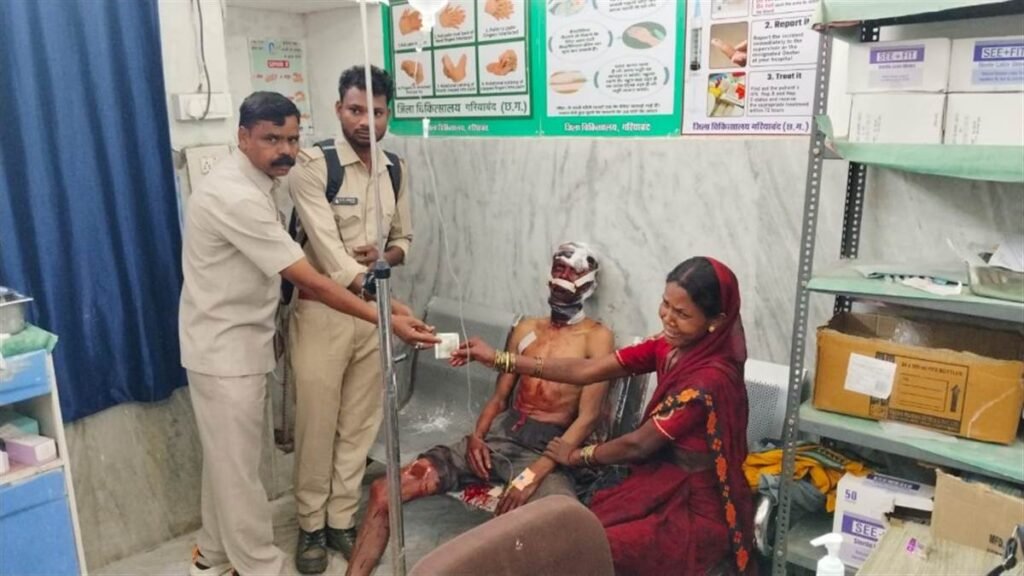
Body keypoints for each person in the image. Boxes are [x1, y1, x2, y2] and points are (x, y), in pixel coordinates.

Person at [180, 91, 437, 576]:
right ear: (242, 137)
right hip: (227, 349)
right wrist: (388, 317)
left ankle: (212, 555)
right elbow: (312, 277)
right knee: (243, 472)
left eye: (292, 138)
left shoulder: (267, 183)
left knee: (229, 464)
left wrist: (391, 305)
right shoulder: (239, 195)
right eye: (271, 139)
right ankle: (263, 566)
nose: (285, 150)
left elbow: (389, 245)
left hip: (251, 340)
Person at [452, 256, 756, 575]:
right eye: (665, 304)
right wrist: (500, 359)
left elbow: (638, 444)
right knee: (576, 539)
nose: (667, 317)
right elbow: (588, 370)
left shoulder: (708, 381)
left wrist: (576, 456)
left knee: (582, 548)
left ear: (716, 321)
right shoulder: (669, 346)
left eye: (682, 314)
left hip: (690, 505)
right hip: (653, 481)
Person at [344, 242, 615, 576]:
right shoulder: (527, 329)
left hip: (547, 450)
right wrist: (477, 436)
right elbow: (500, 398)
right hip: (501, 434)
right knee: (383, 491)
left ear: (588, 283)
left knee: (562, 526)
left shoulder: (596, 337)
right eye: (559, 269)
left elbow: (588, 418)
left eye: (573, 272)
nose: (563, 278)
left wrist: (533, 474)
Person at [286, 65, 414, 574]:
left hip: (372, 314)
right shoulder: (313, 166)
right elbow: (328, 256)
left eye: (376, 112)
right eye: (356, 110)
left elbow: (404, 241)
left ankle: (340, 519)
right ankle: (310, 526)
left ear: (388, 115)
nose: (366, 121)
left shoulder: (395, 168)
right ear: (339, 109)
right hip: (323, 312)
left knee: (360, 425)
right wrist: (376, 292)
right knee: (317, 425)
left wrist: (386, 257)